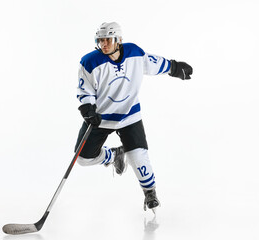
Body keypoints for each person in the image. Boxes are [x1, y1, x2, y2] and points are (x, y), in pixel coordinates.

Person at [74, 22, 193, 212]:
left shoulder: (134, 53)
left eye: (108, 40)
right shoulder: (89, 62)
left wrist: (174, 67)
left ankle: (150, 193)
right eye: (100, 40)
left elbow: (153, 63)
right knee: (82, 158)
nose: (104, 44)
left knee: (137, 155)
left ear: (118, 40)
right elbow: (84, 89)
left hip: (129, 115)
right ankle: (114, 155)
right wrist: (87, 108)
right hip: (101, 117)